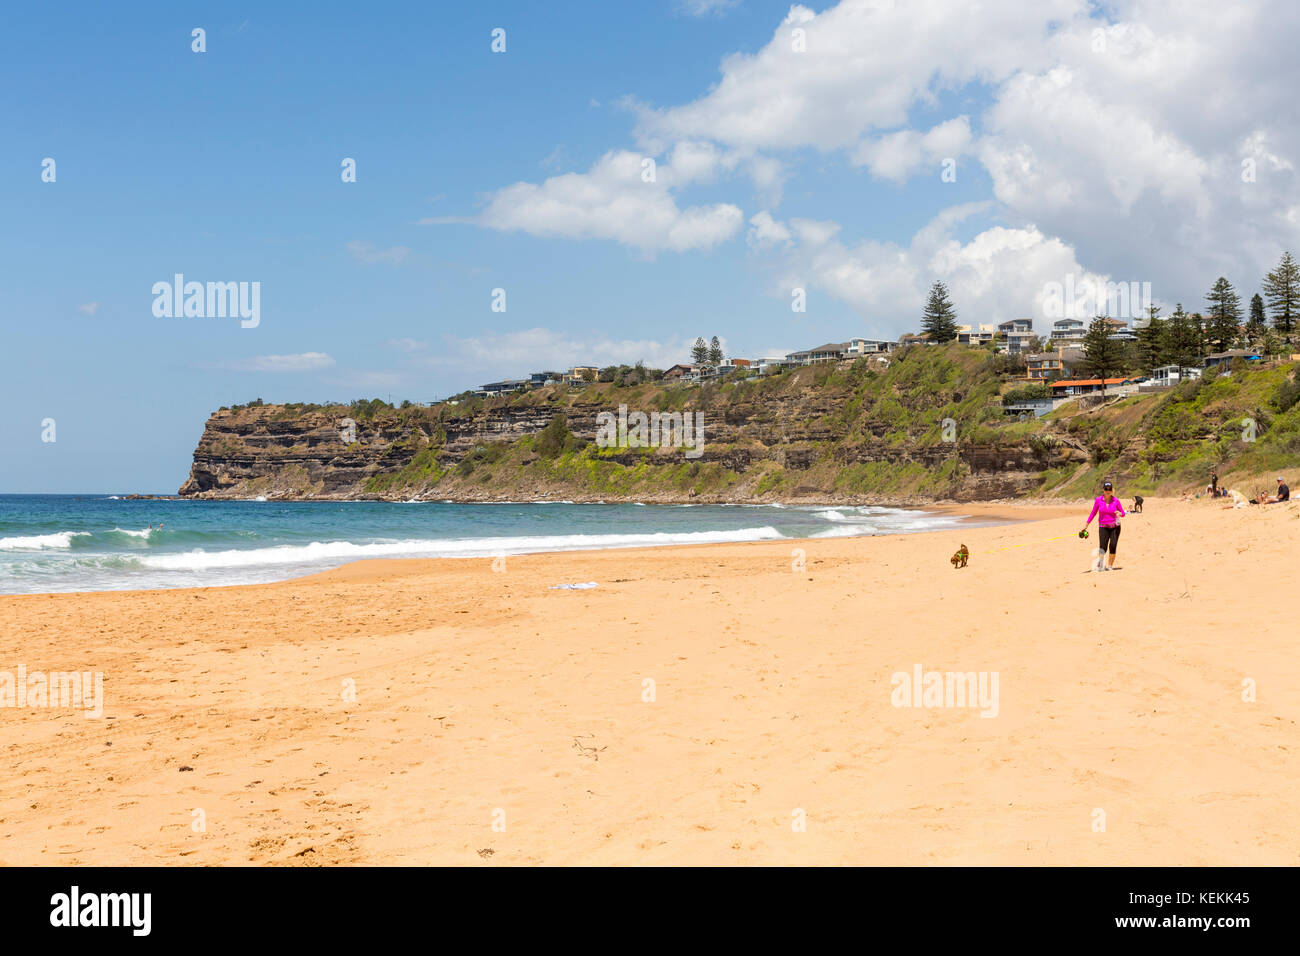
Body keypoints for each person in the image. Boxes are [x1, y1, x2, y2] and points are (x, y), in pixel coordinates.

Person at [1082, 480, 1127, 571]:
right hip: (1103, 527)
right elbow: (1093, 513)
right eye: (1106, 489)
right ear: (1103, 490)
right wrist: (1086, 525)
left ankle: (1110, 566)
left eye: (1109, 489)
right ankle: (1101, 564)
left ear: (1112, 490)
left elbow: (1123, 513)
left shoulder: (1116, 501)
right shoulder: (1098, 500)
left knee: (1113, 545)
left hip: (1115, 527)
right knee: (1103, 547)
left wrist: (1119, 513)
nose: (1108, 490)